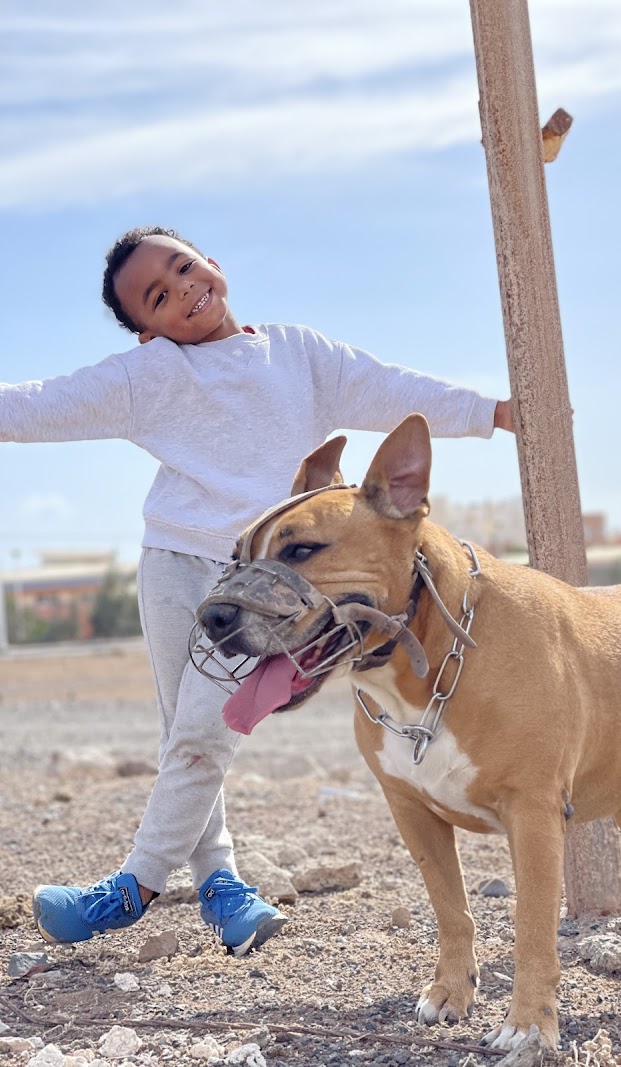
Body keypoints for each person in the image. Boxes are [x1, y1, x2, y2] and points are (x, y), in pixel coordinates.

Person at [1, 226, 514, 957]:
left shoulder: (299, 354)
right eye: (158, 296)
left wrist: (490, 412)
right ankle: (223, 888)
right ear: (148, 334)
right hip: (171, 564)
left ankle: (132, 888)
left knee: (207, 732)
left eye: (183, 267)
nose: (183, 290)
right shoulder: (149, 379)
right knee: (185, 733)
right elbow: (36, 405)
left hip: (266, 583)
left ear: (211, 260)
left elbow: (392, 389)